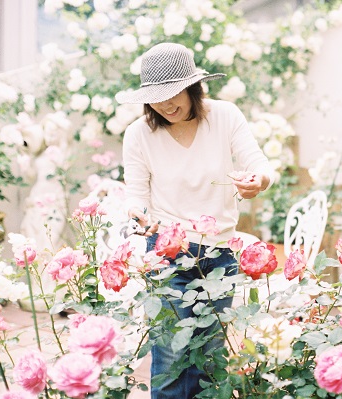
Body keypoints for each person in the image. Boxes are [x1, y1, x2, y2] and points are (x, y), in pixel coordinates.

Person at [115, 42, 275, 399]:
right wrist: (137, 213)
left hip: (218, 253)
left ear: (193, 87)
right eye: (156, 97)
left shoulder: (225, 116)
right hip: (167, 252)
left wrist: (257, 183)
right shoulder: (138, 134)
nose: (166, 105)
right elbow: (136, 194)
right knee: (171, 354)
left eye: (174, 94)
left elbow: (259, 165)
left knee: (206, 356)